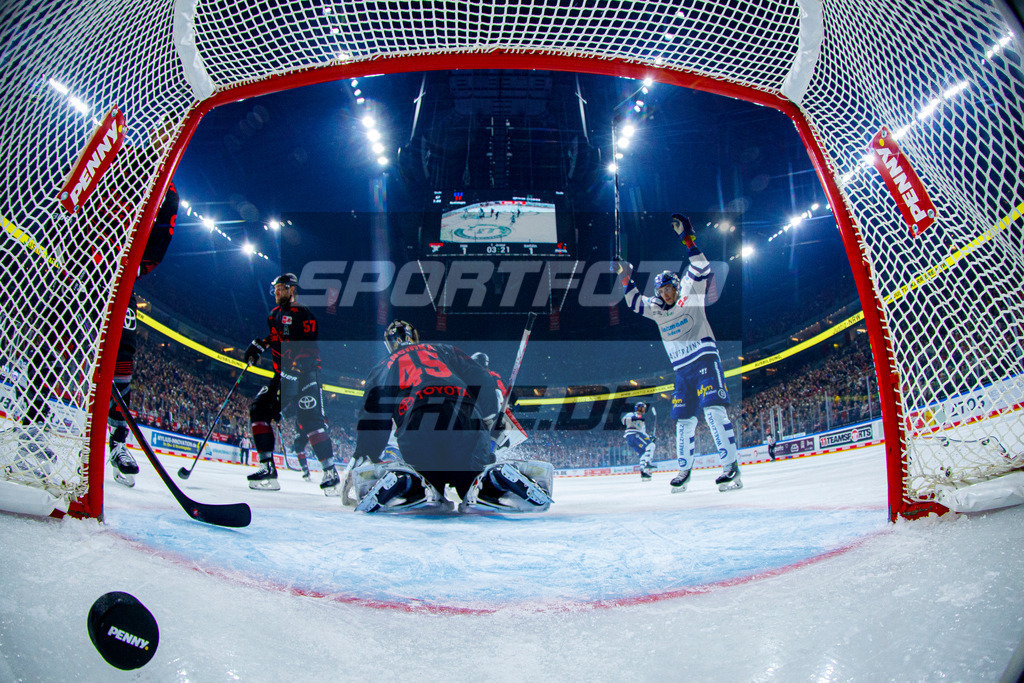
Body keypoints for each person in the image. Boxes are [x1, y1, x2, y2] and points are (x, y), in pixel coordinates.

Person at [350, 320, 552, 513]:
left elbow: (373, 417)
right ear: (416, 337)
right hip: (463, 410)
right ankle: (492, 481)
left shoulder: (381, 368)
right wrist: (489, 419)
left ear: (389, 345)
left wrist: (367, 453)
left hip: (416, 420)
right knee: (471, 476)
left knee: (428, 479)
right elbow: (482, 378)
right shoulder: (443, 349)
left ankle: (410, 484)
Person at [617, 213, 742, 493]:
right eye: (663, 289)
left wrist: (687, 239)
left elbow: (701, 267)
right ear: (659, 292)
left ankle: (730, 467)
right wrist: (626, 278)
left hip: (705, 359)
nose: (668, 293)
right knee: (683, 422)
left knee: (713, 412)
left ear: (677, 287)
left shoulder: (690, 293)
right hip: (681, 371)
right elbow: (634, 302)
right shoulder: (656, 308)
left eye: (671, 288)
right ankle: (684, 471)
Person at [106, 181, 178, 488]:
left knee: (124, 354)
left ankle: (117, 442)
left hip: (121, 279)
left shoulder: (170, 193)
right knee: (54, 339)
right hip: (80, 267)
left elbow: (159, 241)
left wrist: (133, 269)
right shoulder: (120, 162)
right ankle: (34, 426)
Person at [243, 273, 338, 492]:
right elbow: (275, 338)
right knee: (258, 409)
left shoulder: (304, 314)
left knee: (311, 419)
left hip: (305, 373)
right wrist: (260, 345)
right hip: (282, 374)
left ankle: (330, 472)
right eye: (274, 289)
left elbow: (310, 347)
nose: (276, 293)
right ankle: (267, 468)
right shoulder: (273, 314)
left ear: (292, 290)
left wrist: (296, 369)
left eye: (280, 289)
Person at [621, 401, 656, 481]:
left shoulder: (642, 421)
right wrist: (634, 418)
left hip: (635, 436)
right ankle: (648, 463)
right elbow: (624, 421)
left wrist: (650, 438)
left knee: (643, 453)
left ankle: (644, 473)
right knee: (651, 445)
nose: (644, 410)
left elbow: (643, 433)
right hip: (633, 435)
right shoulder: (632, 414)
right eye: (642, 408)